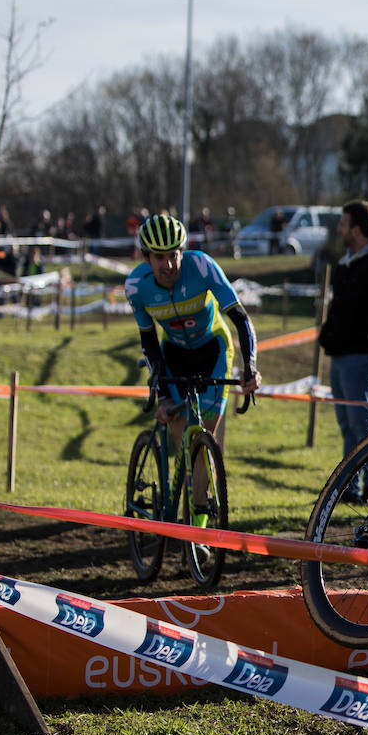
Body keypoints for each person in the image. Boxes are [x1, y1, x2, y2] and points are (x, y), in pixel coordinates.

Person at [124, 215, 261, 525]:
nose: (169, 264)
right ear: (147, 258)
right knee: (181, 435)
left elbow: (240, 317)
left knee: (203, 438)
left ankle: (198, 529)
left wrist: (250, 365)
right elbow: (148, 342)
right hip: (173, 356)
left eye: (174, 255)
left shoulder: (201, 266)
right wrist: (161, 393)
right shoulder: (136, 286)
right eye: (159, 257)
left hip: (213, 349)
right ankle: (183, 514)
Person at [318, 200, 368, 504]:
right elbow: (338, 308)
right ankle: (349, 487)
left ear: (356, 229)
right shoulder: (346, 262)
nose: (339, 230)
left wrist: (358, 328)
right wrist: (329, 334)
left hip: (362, 352)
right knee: (346, 422)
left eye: (343, 224)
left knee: (360, 419)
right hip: (340, 353)